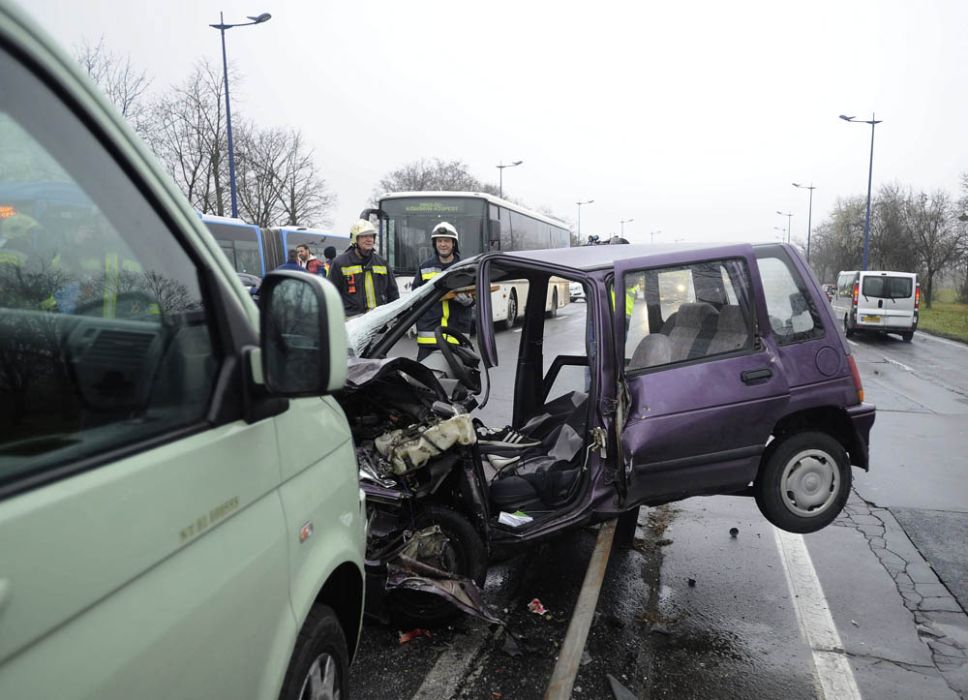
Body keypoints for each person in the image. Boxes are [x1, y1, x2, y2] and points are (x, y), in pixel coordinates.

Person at [411, 222, 474, 361]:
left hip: (457, 335)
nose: (443, 244)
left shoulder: (465, 268)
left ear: (454, 244)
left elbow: (475, 295)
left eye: (446, 241)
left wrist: (469, 301)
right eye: (439, 241)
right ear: (435, 244)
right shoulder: (425, 268)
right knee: (425, 378)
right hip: (429, 336)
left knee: (459, 379)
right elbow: (415, 297)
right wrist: (410, 321)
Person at [328, 219, 398, 317]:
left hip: (380, 320)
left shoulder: (382, 263)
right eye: (364, 236)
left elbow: (393, 293)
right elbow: (331, 295)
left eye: (371, 236)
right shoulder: (340, 263)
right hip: (352, 321)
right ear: (355, 239)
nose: (369, 239)